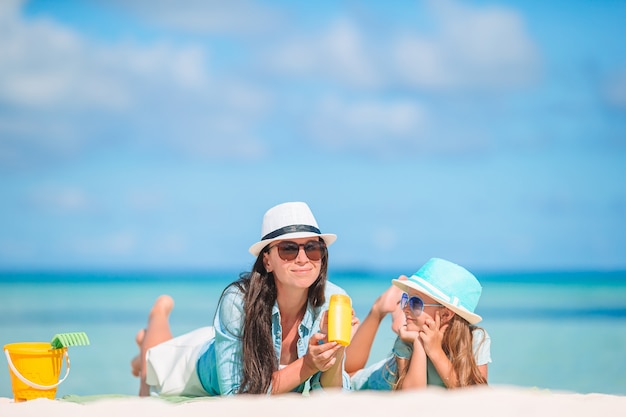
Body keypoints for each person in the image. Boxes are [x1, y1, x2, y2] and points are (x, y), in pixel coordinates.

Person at [130, 202, 351, 396]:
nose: (303, 259)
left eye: (313, 248)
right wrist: (309, 364)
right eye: (288, 249)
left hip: (229, 337)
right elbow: (236, 394)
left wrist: (336, 350)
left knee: (153, 358)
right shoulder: (238, 302)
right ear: (267, 261)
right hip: (199, 364)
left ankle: (144, 349)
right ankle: (157, 316)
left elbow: (329, 395)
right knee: (157, 362)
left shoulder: (334, 301)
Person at [346, 257, 491, 390]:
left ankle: (394, 310)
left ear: (446, 314)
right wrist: (419, 344)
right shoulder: (406, 339)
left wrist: (435, 351)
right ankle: (378, 309)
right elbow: (412, 398)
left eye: (415, 302)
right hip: (379, 382)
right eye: (406, 299)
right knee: (348, 377)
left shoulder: (475, 339)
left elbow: (476, 395)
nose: (405, 308)